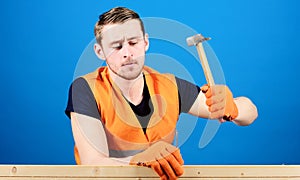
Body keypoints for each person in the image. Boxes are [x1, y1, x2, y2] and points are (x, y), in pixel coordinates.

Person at [65, 7, 258, 180]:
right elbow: (93, 163)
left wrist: (233, 108)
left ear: (145, 42)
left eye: (133, 42)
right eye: (116, 46)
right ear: (100, 51)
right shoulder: (86, 88)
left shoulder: (170, 86)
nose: (127, 53)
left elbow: (251, 114)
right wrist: (139, 160)